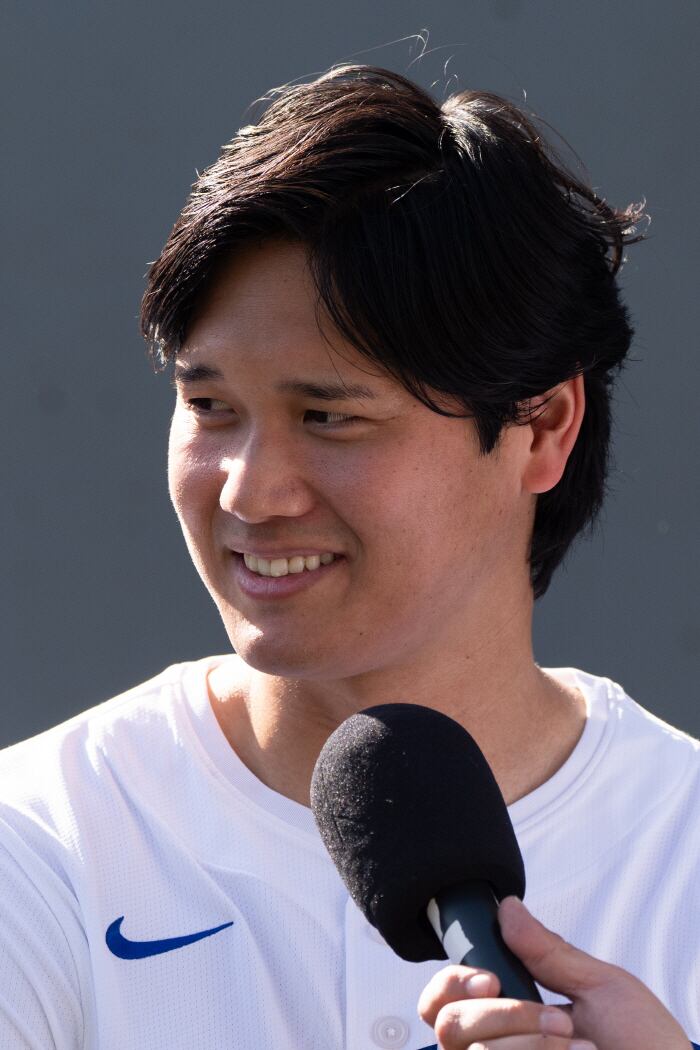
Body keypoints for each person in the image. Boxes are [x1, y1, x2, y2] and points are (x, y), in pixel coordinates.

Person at [0, 64, 697, 1050]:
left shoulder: (681, 847)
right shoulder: (38, 844)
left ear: (541, 425)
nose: (246, 490)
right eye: (208, 408)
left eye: (327, 416)